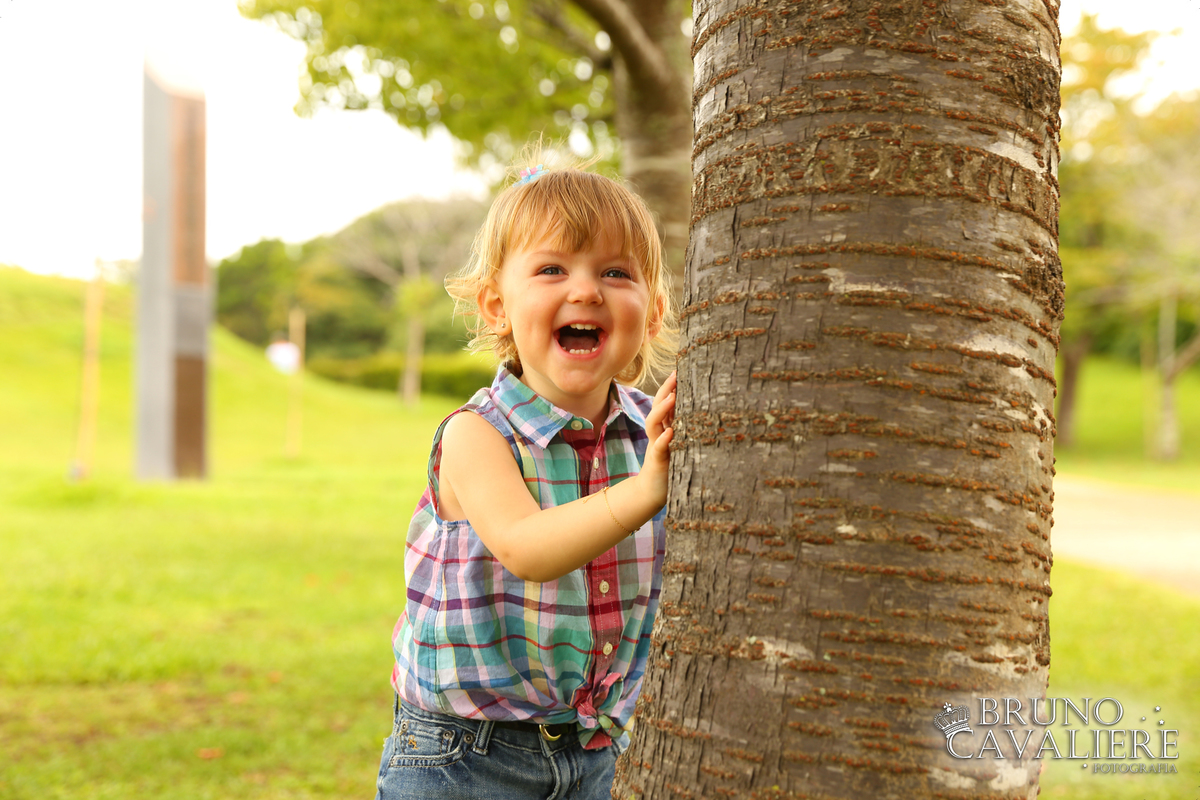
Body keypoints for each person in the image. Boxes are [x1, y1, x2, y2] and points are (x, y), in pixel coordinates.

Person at [374, 152, 678, 800]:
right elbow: (526, 547)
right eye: (551, 269)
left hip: (597, 750)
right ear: (495, 306)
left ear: (651, 313)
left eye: (616, 272)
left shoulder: (654, 435)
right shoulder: (475, 435)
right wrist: (649, 487)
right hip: (462, 756)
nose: (586, 290)